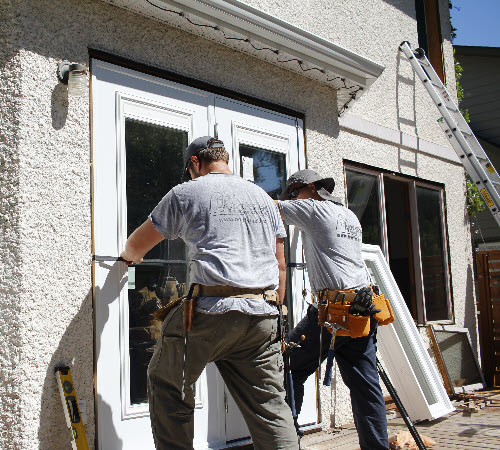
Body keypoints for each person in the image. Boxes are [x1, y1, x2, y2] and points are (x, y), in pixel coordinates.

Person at [120, 136, 299, 450]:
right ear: (224, 159)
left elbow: (139, 243)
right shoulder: (263, 198)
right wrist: (278, 311)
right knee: (271, 408)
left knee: (168, 384)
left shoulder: (188, 192)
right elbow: (280, 263)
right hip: (263, 315)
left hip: (212, 313)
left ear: (194, 163)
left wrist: (129, 258)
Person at [277, 169, 389, 450]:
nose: (294, 200)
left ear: (311, 189)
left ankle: (286, 443)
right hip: (361, 309)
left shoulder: (315, 210)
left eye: (294, 193)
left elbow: (270, 209)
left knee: (290, 367)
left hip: (331, 314)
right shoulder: (348, 215)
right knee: (365, 387)